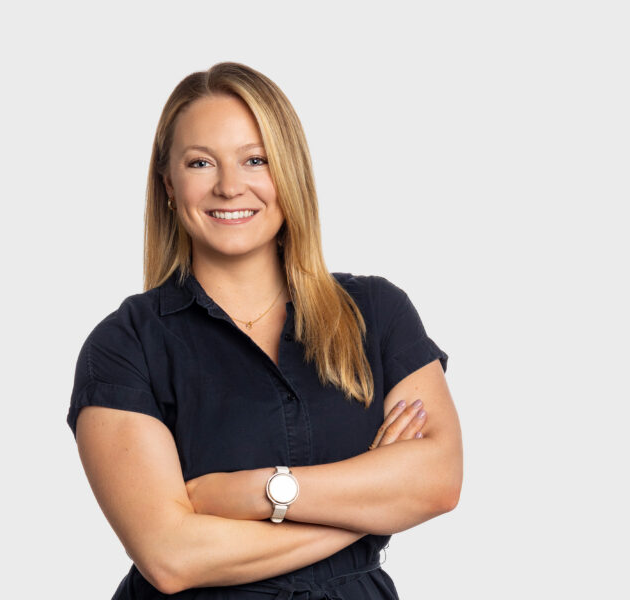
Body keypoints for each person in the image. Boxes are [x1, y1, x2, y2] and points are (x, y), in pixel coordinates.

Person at [66, 61, 463, 599]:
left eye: (256, 160)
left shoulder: (377, 312)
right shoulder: (125, 345)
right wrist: (368, 508)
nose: (231, 187)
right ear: (168, 184)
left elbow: (437, 483)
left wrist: (258, 491)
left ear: (290, 174)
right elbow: (172, 557)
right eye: (201, 162)